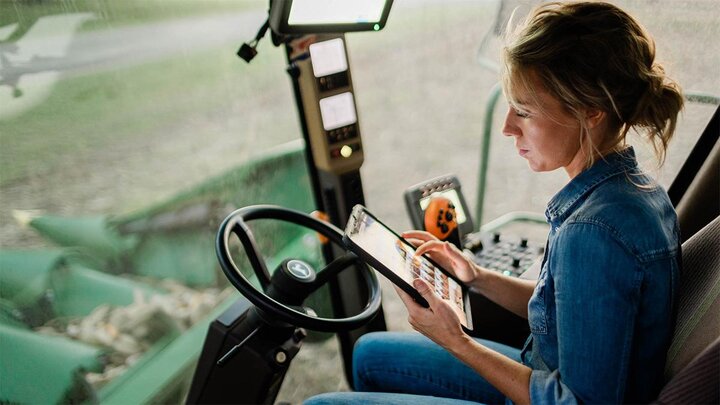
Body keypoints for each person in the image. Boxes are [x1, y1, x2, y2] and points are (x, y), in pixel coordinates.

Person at [305, 1, 684, 404]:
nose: (506, 127)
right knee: (368, 353)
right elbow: (569, 311)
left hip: (546, 391)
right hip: (543, 371)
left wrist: (457, 342)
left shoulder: (594, 233)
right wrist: (478, 277)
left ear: (591, 110)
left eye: (523, 111)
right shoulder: (633, 190)